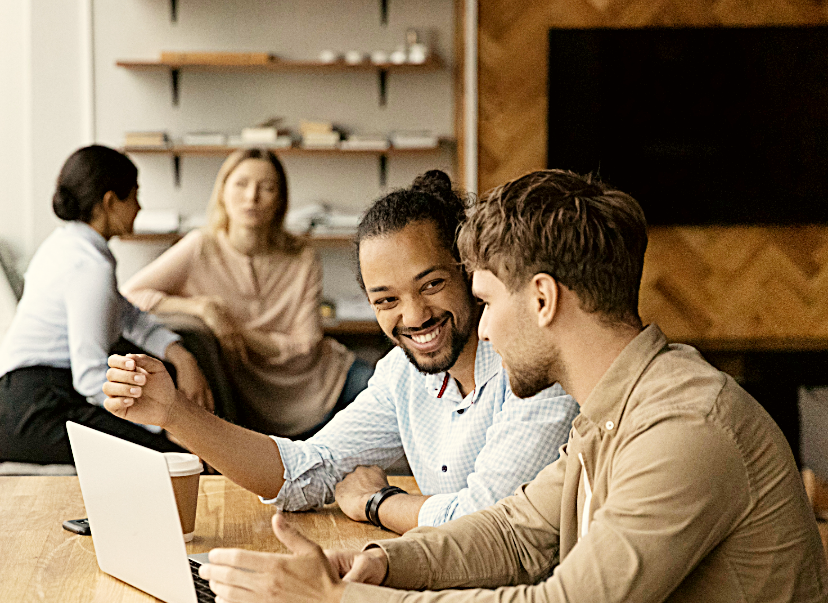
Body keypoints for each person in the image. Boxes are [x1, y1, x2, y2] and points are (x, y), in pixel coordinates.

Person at [182, 170, 828, 603]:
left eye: (488, 301)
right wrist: (371, 565)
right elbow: (516, 533)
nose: (486, 328)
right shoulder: (623, 404)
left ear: (544, 298)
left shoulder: (686, 427)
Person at [104, 169, 578, 534]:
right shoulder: (403, 374)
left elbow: (485, 520)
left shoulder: (534, 369)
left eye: (431, 284)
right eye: (386, 300)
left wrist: (379, 503)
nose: (413, 316)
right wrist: (175, 413)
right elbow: (303, 473)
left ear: (468, 273)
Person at [0, 144, 212, 464]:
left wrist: (181, 356)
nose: (139, 207)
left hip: (21, 400)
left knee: (176, 455)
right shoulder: (89, 267)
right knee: (178, 462)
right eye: (134, 196)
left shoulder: (69, 244)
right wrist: (163, 424)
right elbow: (90, 376)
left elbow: (128, 315)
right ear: (110, 202)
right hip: (31, 411)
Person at [121, 148, 370, 438]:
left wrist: (234, 331)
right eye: (241, 184)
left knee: (396, 395)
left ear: (280, 201)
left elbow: (306, 348)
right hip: (254, 399)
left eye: (266, 188)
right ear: (223, 192)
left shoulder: (302, 257)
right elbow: (129, 296)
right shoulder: (200, 246)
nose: (252, 197)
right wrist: (201, 308)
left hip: (324, 381)